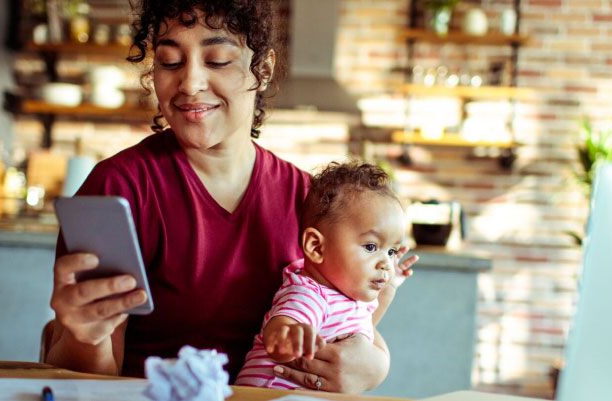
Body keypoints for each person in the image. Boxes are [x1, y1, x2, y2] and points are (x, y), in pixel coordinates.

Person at [44, 0, 418, 393]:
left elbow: (342, 320)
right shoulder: (119, 188)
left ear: (264, 69)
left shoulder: (308, 200)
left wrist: (374, 363)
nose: (190, 83)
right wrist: (83, 337)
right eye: (170, 61)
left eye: (218, 60)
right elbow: (85, 385)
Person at [235, 162, 415, 390]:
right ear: (316, 247)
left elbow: (366, 326)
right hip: (266, 395)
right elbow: (282, 326)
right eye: (371, 247)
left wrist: (390, 286)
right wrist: (289, 334)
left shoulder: (348, 297)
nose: (386, 263)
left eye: (391, 252)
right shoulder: (310, 293)